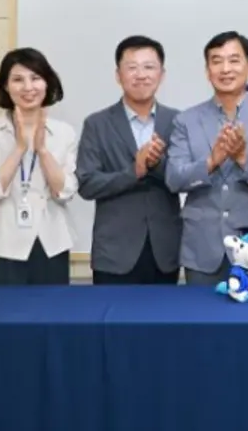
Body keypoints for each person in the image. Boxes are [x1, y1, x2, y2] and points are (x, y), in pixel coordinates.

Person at [166, 31, 248, 286]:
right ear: (207, 71)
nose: (225, 69)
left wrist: (244, 159)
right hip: (202, 248)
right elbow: (174, 179)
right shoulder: (186, 120)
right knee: (200, 312)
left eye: (234, 60)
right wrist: (211, 162)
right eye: (216, 61)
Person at [76, 36, 182, 285]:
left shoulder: (178, 121)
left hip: (165, 250)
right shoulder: (97, 124)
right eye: (132, 67)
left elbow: (185, 179)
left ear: (161, 74)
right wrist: (134, 171)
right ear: (118, 75)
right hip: (114, 253)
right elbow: (87, 184)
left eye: (149, 67)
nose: (141, 75)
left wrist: (157, 164)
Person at [0, 48, 77, 285]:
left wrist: (43, 150)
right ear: (6, 86)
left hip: (51, 242)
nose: (28, 87)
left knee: (51, 308)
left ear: (47, 83)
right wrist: (19, 148)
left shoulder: (64, 133)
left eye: (35, 78)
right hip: (1, 243)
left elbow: (65, 191)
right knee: (1, 308)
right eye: (18, 79)